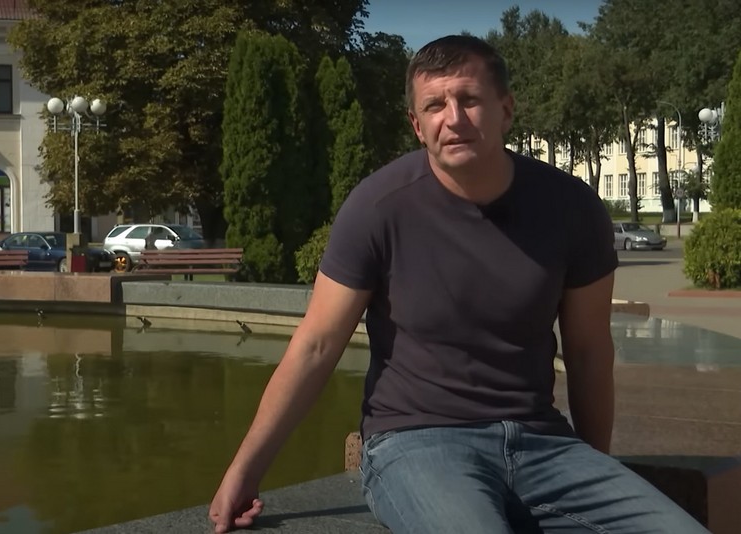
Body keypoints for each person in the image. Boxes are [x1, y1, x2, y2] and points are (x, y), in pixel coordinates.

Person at [208, 34, 709, 534]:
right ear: (416, 124)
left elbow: (589, 350)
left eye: (469, 99)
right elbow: (316, 345)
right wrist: (245, 470)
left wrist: (595, 465)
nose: (453, 118)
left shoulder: (572, 208)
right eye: (434, 105)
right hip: (416, 442)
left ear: (505, 110)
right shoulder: (377, 208)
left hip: (543, 443)